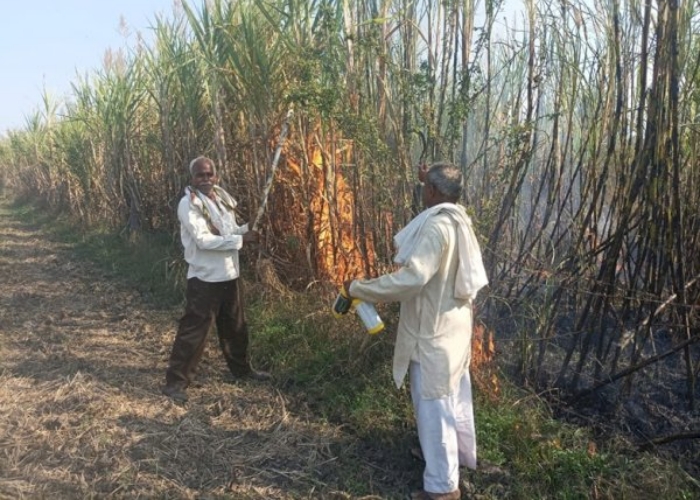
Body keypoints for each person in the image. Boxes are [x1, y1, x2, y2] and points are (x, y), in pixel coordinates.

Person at [344, 163, 488, 500]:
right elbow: (443, 181)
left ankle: (442, 489)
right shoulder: (458, 217)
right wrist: (429, 176)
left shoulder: (437, 228)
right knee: (454, 399)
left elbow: (412, 279)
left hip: (432, 333)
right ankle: (456, 460)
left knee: (434, 407)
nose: (422, 191)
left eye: (426, 187)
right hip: (454, 327)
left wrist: (360, 288)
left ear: (434, 193)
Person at [162, 156, 270, 403]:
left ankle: (242, 371)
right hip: (205, 278)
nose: (206, 179)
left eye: (209, 174)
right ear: (192, 178)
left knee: (235, 327)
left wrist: (245, 229)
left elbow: (227, 233)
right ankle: (175, 383)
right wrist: (243, 241)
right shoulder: (188, 205)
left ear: (216, 176)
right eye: (200, 175)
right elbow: (204, 240)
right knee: (194, 331)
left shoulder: (221, 199)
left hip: (230, 274)